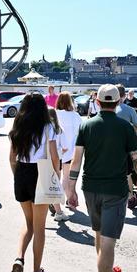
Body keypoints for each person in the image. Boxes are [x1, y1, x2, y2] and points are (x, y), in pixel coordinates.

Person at [64, 84, 137, 272]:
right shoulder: (125, 127)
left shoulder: (86, 125)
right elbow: (136, 158)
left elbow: (76, 161)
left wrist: (70, 189)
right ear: (119, 102)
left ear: (98, 102)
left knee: (99, 234)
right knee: (108, 241)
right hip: (115, 190)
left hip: (90, 188)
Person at [8, 93, 60, 272]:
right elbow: (54, 156)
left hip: (22, 172)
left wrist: (17, 176)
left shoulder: (18, 126)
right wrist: (56, 176)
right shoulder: (47, 127)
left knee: (28, 223)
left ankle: (19, 257)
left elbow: (11, 158)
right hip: (41, 172)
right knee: (39, 227)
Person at [53, 92, 82, 222]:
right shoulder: (76, 116)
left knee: (55, 178)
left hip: (56, 151)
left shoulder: (54, 114)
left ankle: (57, 202)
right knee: (67, 177)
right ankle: (70, 200)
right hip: (72, 152)